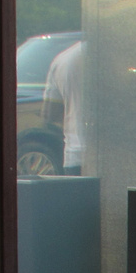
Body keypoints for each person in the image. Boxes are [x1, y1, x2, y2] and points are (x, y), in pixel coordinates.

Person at [42, 39, 86, 174]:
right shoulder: (113, 56)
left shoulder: (62, 59)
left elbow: (50, 113)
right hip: (114, 156)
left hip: (74, 156)